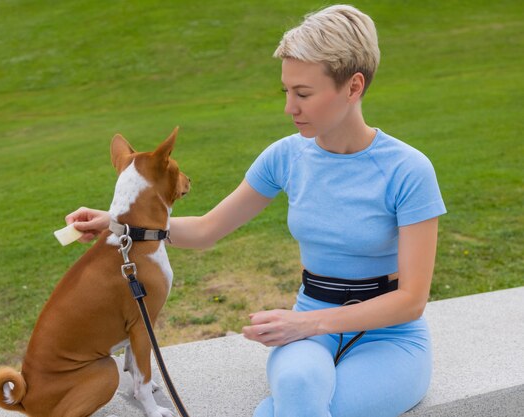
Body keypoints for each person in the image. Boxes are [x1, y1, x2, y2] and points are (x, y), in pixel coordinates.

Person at [65, 4, 446, 416]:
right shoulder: (285, 157)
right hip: (309, 329)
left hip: (389, 338)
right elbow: (209, 229)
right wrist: (119, 223)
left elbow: (411, 300)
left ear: (353, 87)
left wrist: (305, 324)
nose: (289, 108)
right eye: (286, 92)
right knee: (299, 388)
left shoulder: (408, 170)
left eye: (303, 94)